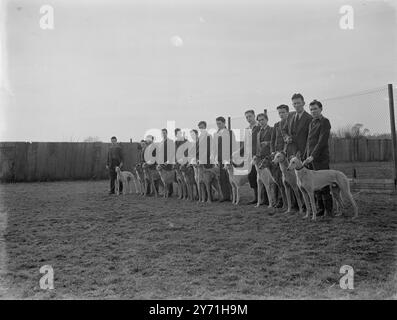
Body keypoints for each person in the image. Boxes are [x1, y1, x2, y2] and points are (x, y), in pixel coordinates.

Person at [305, 100, 332, 216]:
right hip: (310, 158)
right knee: (314, 185)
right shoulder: (312, 122)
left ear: (321, 109)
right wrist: (306, 156)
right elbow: (309, 141)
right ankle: (320, 208)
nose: (313, 111)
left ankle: (328, 210)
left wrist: (313, 156)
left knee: (324, 184)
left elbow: (321, 141)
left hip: (320, 158)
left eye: (315, 109)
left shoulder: (325, 122)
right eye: (311, 109)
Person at [213, 116, 235, 201]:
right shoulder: (216, 133)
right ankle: (225, 196)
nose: (218, 125)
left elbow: (233, 145)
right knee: (221, 178)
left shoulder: (229, 132)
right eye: (217, 124)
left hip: (228, 158)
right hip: (219, 158)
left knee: (229, 178)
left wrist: (231, 157)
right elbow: (214, 147)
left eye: (220, 123)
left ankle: (232, 195)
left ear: (224, 123)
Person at [242, 110, 261, 205]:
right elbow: (245, 144)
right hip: (249, 157)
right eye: (247, 117)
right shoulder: (246, 129)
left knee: (260, 177)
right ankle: (256, 197)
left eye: (250, 116)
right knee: (251, 176)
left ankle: (263, 198)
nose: (249, 119)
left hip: (257, 156)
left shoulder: (259, 127)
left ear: (254, 116)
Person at [256, 112, 274, 206]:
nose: (261, 122)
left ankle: (277, 200)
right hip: (261, 158)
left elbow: (274, 141)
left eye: (262, 119)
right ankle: (266, 200)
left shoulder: (271, 129)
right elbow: (258, 146)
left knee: (273, 181)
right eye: (259, 120)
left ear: (267, 119)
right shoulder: (259, 133)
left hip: (270, 157)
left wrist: (268, 143)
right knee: (263, 181)